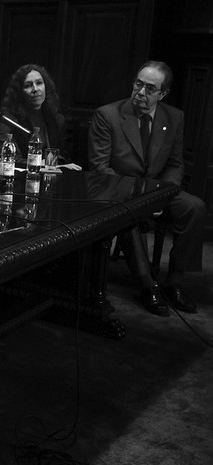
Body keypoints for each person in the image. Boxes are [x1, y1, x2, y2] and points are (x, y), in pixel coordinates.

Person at [88, 60, 205, 316]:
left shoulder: (174, 117)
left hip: (159, 190)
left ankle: (175, 282)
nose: (140, 93)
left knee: (195, 207)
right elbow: (100, 167)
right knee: (128, 211)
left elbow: (175, 164)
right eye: (138, 84)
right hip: (120, 190)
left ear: (163, 93)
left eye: (150, 88)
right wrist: (141, 198)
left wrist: (164, 195)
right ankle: (147, 285)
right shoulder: (108, 115)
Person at [0, 63, 81, 170]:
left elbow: (63, 157)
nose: (35, 89)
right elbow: (11, 159)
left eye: (39, 83)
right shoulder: (7, 119)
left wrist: (56, 165)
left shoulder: (56, 119)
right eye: (28, 85)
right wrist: (43, 164)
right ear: (19, 92)